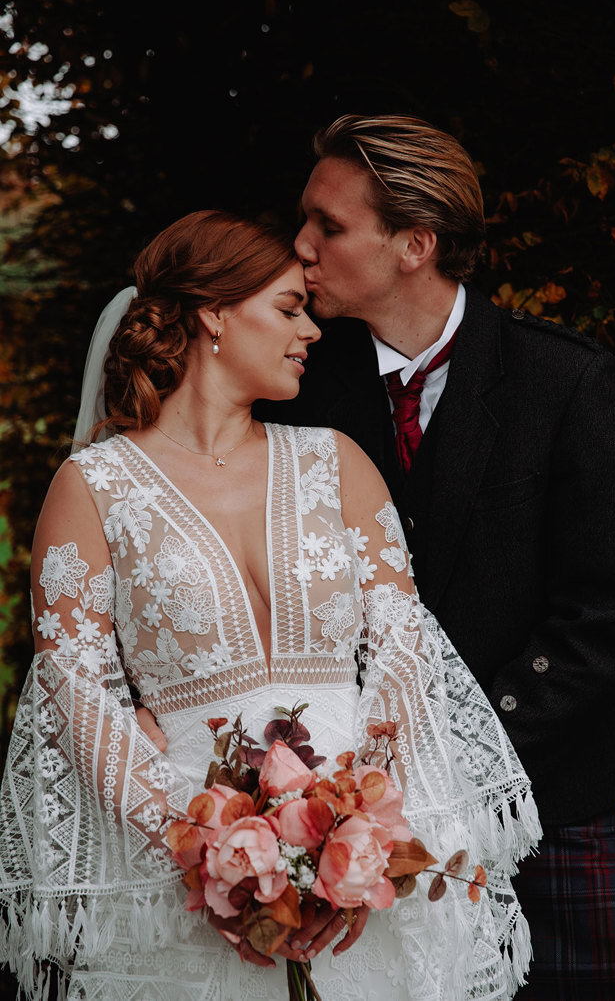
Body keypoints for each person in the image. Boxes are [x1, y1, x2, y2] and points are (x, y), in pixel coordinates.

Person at [0, 210, 540, 1001]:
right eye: (288, 309)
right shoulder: (93, 488)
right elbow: (77, 694)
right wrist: (209, 855)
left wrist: (359, 836)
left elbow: (401, 646)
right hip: (190, 878)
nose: (311, 331)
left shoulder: (336, 462)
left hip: (363, 867)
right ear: (214, 314)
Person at [250, 115, 615, 999]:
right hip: (359, 823)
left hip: (549, 800)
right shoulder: (296, 391)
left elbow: (602, 619)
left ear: (415, 243)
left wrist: (456, 768)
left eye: (328, 226)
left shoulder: (563, 381)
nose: (298, 246)